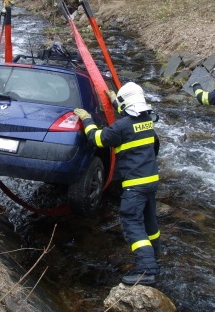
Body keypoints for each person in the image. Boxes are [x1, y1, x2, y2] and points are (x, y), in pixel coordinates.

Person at [73, 82, 161, 286]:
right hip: (151, 180)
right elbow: (132, 116)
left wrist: (87, 119)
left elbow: (97, 139)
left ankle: (147, 270)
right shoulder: (148, 120)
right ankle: (155, 256)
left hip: (135, 184)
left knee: (131, 222)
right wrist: (114, 100)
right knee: (150, 222)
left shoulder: (121, 127)